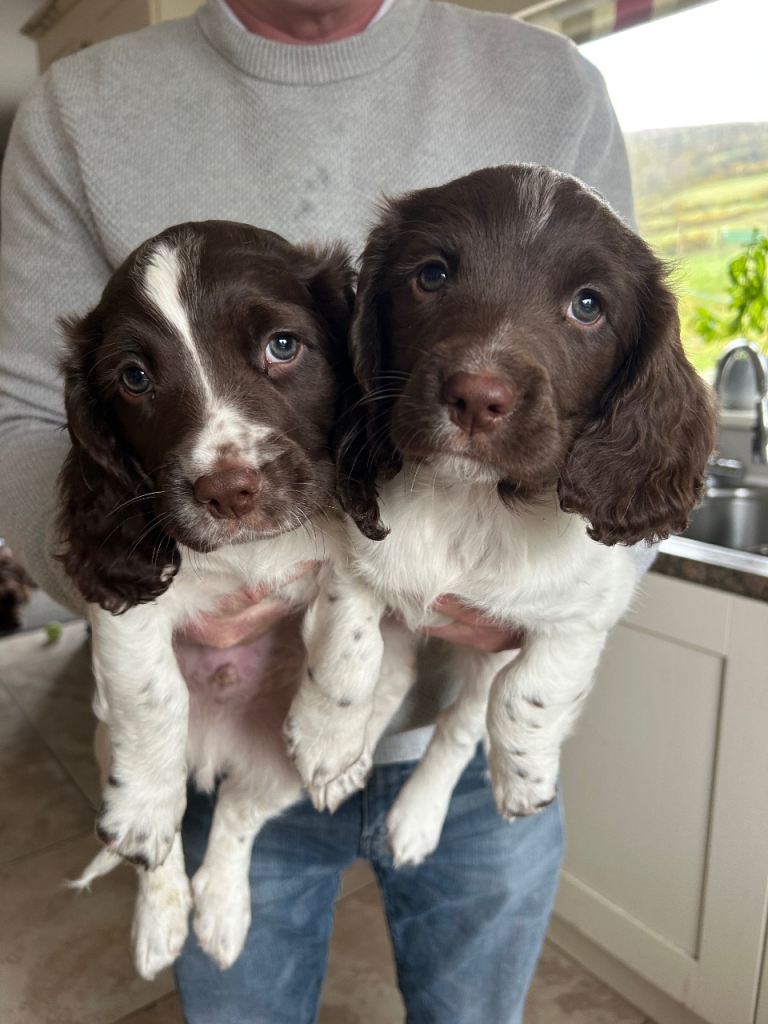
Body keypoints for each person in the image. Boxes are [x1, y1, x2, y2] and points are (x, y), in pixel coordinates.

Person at [0, 1, 649, 1020]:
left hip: (478, 740)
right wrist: (141, 580)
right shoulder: (75, 107)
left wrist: (563, 601)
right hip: (228, 718)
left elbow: (625, 393)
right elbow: (25, 414)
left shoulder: (555, 83)